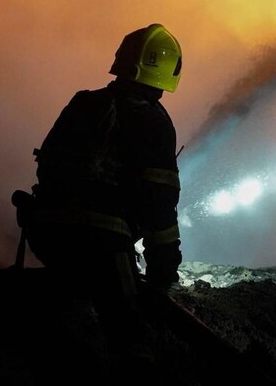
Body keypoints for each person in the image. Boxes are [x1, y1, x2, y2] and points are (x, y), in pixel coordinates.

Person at [21, 23, 183, 380]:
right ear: (168, 70)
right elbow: (159, 201)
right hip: (102, 243)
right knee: (130, 331)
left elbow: (47, 166)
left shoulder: (83, 102)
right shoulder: (153, 120)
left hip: (45, 235)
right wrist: (164, 264)